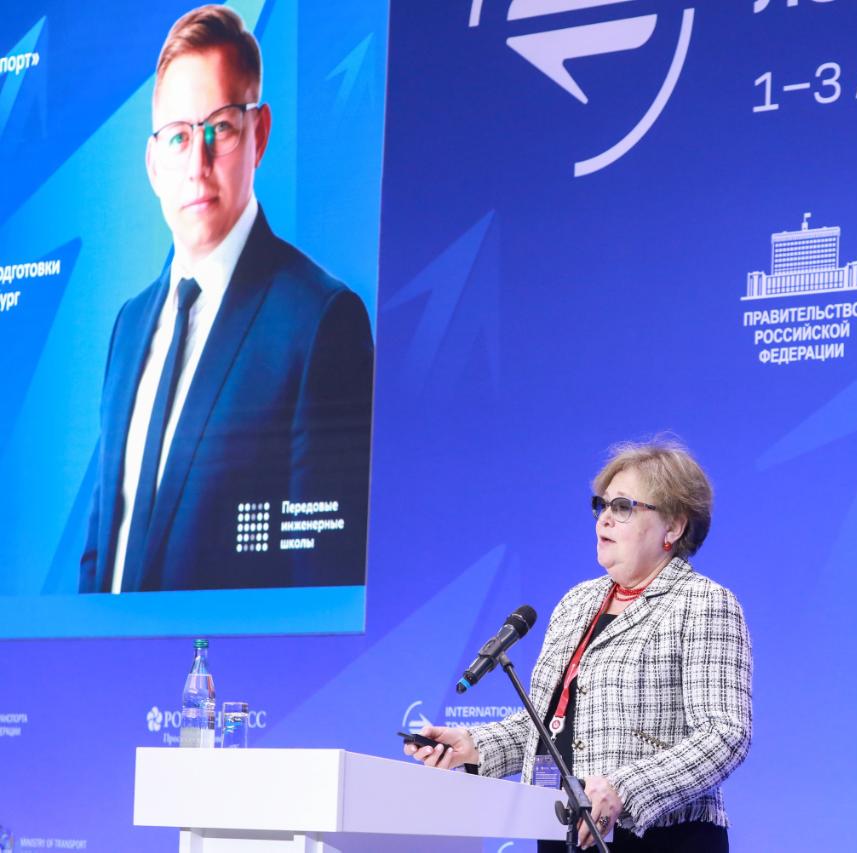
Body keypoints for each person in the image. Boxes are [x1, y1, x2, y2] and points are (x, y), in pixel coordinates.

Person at [79, 6, 372, 593]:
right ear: (153, 164)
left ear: (258, 134)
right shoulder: (129, 325)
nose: (198, 163)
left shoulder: (319, 321)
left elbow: (322, 581)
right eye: (179, 137)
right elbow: (100, 554)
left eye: (220, 128)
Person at [407, 440, 753, 851]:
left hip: (660, 839)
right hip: (562, 830)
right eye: (602, 505)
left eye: (622, 507)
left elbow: (724, 734)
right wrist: (474, 746)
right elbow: (549, 724)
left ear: (673, 527)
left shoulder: (703, 603)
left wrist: (624, 789)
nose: (604, 518)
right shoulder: (577, 603)